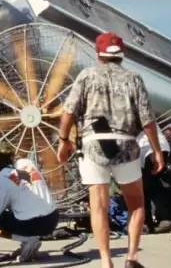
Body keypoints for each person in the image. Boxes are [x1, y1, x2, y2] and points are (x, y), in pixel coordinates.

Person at [57, 31, 164, 268]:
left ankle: (106, 261)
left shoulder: (86, 76)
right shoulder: (134, 78)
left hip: (94, 144)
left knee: (99, 207)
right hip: (126, 144)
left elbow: (68, 112)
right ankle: (132, 257)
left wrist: (63, 140)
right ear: (121, 54)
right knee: (137, 204)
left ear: (98, 53)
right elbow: (147, 119)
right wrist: (156, 151)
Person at [0, 142, 59, 262]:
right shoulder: (27, 163)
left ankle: (27, 240)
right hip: (52, 219)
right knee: (20, 207)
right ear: (12, 156)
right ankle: (29, 242)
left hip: (31, 224)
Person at [136, 125, 171, 234]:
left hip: (150, 147)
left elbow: (148, 125)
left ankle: (161, 219)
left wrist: (156, 151)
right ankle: (150, 222)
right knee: (148, 185)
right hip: (148, 148)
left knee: (148, 185)